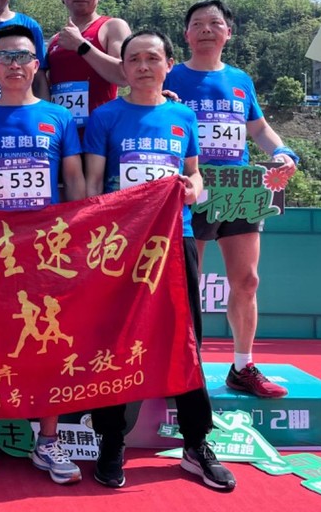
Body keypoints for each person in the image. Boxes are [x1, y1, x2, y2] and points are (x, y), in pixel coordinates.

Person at [83, 29, 235, 491]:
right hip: (120, 245)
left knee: (185, 338)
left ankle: (195, 443)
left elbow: (195, 175)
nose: (144, 66)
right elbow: (92, 187)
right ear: (123, 67)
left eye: (152, 58)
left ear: (169, 64)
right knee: (114, 338)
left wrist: (194, 188)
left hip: (175, 241)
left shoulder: (183, 116)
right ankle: (111, 441)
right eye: (134, 59)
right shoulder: (105, 117)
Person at [0, 25, 84, 485]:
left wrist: (81, 234)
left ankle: (49, 439)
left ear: (36, 64)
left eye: (23, 56)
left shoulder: (59, 118)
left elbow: (74, 181)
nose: (14, 64)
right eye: (5, 57)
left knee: (50, 342)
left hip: (48, 250)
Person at [165, 0, 298, 399]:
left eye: (215, 23)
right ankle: (183, 367)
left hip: (240, 188)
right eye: (198, 24)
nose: (206, 29)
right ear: (186, 34)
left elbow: (258, 129)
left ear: (228, 32)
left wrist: (282, 152)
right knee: (187, 283)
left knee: (247, 280)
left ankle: (242, 366)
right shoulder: (171, 76)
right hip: (191, 189)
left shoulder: (240, 79)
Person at [46, 0, 131, 130]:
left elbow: (124, 76)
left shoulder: (113, 27)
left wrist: (81, 46)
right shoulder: (55, 40)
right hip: (63, 133)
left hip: (101, 134)